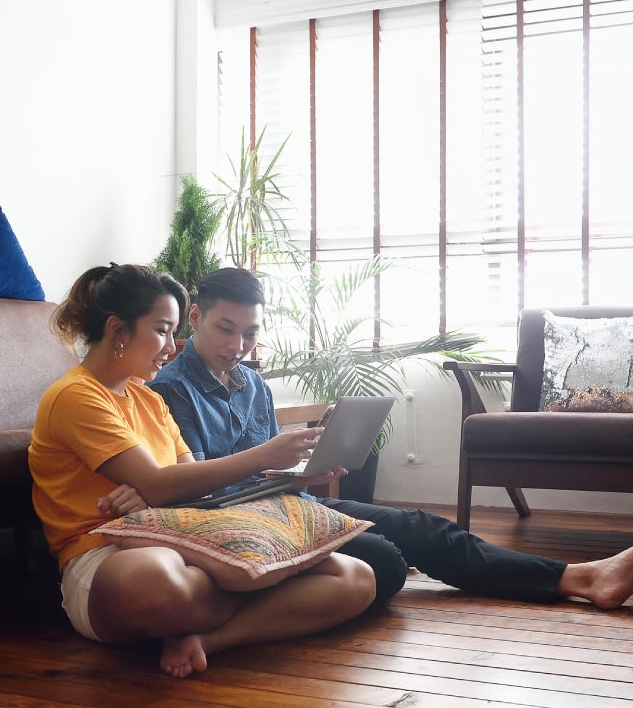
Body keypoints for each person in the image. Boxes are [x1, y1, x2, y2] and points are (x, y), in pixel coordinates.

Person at [148, 267, 633, 610]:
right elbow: (197, 493)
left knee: (420, 527)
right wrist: (272, 465)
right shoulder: (169, 391)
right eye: (225, 329)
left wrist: (309, 470)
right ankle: (577, 578)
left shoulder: (253, 383)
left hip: (287, 509)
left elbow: (267, 476)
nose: (239, 345)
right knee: (390, 561)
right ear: (194, 318)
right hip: (242, 528)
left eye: (251, 333)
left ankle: (581, 577)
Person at [28, 263, 377, 679]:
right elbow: (161, 482)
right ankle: (271, 589)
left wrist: (154, 491)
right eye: (161, 330)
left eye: (174, 332)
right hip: (101, 552)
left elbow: (188, 487)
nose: (172, 347)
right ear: (117, 329)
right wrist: (260, 456)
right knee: (159, 581)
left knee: (357, 577)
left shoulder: (148, 400)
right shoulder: (75, 396)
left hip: (177, 534)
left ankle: (209, 639)